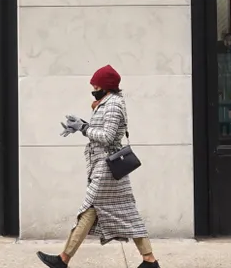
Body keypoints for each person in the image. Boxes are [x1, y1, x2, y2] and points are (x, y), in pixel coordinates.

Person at [37, 65, 159, 268]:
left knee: (88, 209)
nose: (93, 87)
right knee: (126, 212)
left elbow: (108, 136)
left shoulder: (112, 104)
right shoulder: (106, 102)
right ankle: (149, 260)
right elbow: (102, 131)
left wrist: (83, 128)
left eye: (96, 84)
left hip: (107, 168)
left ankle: (63, 259)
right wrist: (81, 124)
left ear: (106, 86)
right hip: (106, 167)